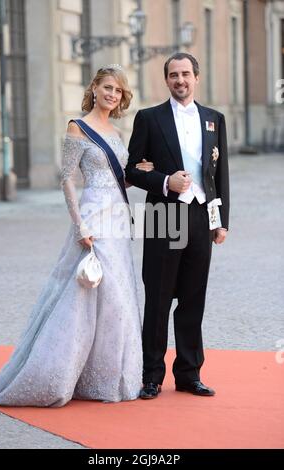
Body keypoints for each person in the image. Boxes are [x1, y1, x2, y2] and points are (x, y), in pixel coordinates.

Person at [0, 65, 153, 407]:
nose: (112, 94)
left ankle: (104, 378)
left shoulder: (116, 133)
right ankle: (57, 373)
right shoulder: (78, 127)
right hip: (92, 218)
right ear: (94, 87)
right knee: (87, 295)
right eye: (107, 87)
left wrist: (139, 176)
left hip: (117, 221)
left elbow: (116, 180)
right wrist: (79, 225)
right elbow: (67, 179)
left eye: (118, 91)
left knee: (116, 301)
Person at [125, 52, 230, 399]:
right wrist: (165, 180)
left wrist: (221, 221)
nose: (180, 80)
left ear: (196, 77)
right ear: (166, 80)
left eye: (185, 74)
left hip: (201, 217)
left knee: (192, 299)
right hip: (162, 217)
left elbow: (220, 176)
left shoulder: (214, 119)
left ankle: (188, 374)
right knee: (157, 299)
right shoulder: (149, 118)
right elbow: (131, 171)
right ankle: (151, 376)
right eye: (173, 75)